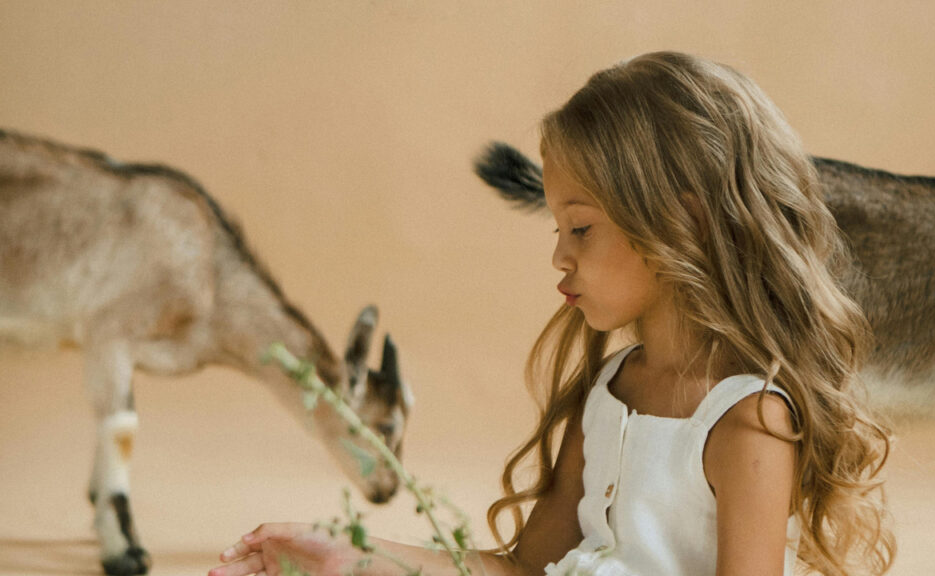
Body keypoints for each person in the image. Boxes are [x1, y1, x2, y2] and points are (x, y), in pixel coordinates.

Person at [209, 51, 895, 576]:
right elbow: (520, 570)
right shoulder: (612, 391)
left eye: (581, 229)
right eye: (558, 230)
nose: (559, 257)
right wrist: (351, 557)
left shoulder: (748, 421)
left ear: (681, 223)